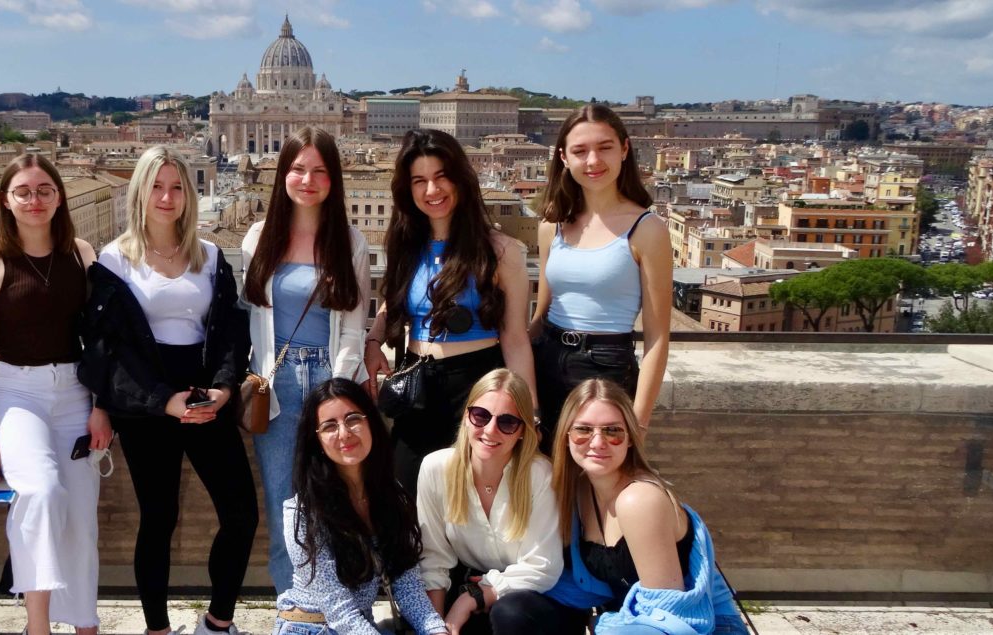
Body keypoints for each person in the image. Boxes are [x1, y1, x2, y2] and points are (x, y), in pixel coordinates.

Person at [79, 146, 258, 635]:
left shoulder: (211, 256)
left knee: (241, 514)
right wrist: (161, 401)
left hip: (205, 396)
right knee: (159, 518)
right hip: (145, 404)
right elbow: (107, 349)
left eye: (177, 187)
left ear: (189, 194)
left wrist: (223, 389)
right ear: (140, 191)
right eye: (156, 186)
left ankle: (217, 623)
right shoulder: (113, 261)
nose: (167, 196)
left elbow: (230, 331)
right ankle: (156, 630)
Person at [0, 153, 108, 635]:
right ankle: (38, 626)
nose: (34, 200)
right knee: (41, 492)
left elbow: (101, 340)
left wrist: (102, 407)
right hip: (16, 393)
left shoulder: (82, 254)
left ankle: (85, 625)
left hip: (75, 394)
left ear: (59, 197)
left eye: (44, 190)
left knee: (82, 521)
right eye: (22, 191)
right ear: (6, 200)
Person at [364, 129, 535, 496]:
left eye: (441, 176)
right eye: (420, 181)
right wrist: (373, 340)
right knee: (406, 494)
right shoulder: (405, 245)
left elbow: (515, 338)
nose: (432, 190)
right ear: (408, 189)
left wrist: (528, 414)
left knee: (469, 500)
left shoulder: (500, 251)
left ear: (460, 179)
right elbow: (394, 302)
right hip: (416, 385)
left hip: (477, 387)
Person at [241, 126, 370, 595]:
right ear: (283, 174)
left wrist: (338, 394)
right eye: (298, 169)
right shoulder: (258, 238)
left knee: (337, 506)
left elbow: (354, 326)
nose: (308, 180)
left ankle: (343, 608)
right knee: (285, 510)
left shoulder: (350, 242)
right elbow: (250, 317)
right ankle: (292, 610)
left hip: (328, 380)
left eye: (319, 171)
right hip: (275, 385)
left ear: (334, 179)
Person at [546, 379, 748, 635]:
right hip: (633, 624)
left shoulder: (640, 499)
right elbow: (582, 585)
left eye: (613, 431)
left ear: (630, 438)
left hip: (701, 627)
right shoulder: (578, 491)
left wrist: (603, 625)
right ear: (566, 437)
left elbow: (667, 613)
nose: (597, 442)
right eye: (583, 430)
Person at [529, 104, 672, 443]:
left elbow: (657, 338)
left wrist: (638, 425)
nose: (593, 161)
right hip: (547, 360)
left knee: (598, 471)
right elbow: (542, 312)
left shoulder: (648, 229)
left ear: (624, 149)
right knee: (545, 468)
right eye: (580, 151)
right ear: (564, 158)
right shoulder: (551, 226)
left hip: (608, 367)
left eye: (604, 147)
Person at [274, 378, 446, 635]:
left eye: (353, 419)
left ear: (371, 423)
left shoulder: (392, 495)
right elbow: (339, 611)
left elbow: (407, 586)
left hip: (362, 626)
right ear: (316, 440)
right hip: (308, 627)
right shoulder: (303, 513)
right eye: (329, 426)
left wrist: (435, 629)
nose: (344, 433)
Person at [416, 368, 571, 635]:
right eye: (481, 415)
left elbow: (543, 566)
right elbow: (433, 560)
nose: (490, 430)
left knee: (509, 614)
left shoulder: (539, 474)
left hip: (530, 600)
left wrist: (475, 595)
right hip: (469, 587)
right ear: (466, 417)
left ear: (522, 430)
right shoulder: (435, 468)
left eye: (507, 422)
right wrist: (434, 628)